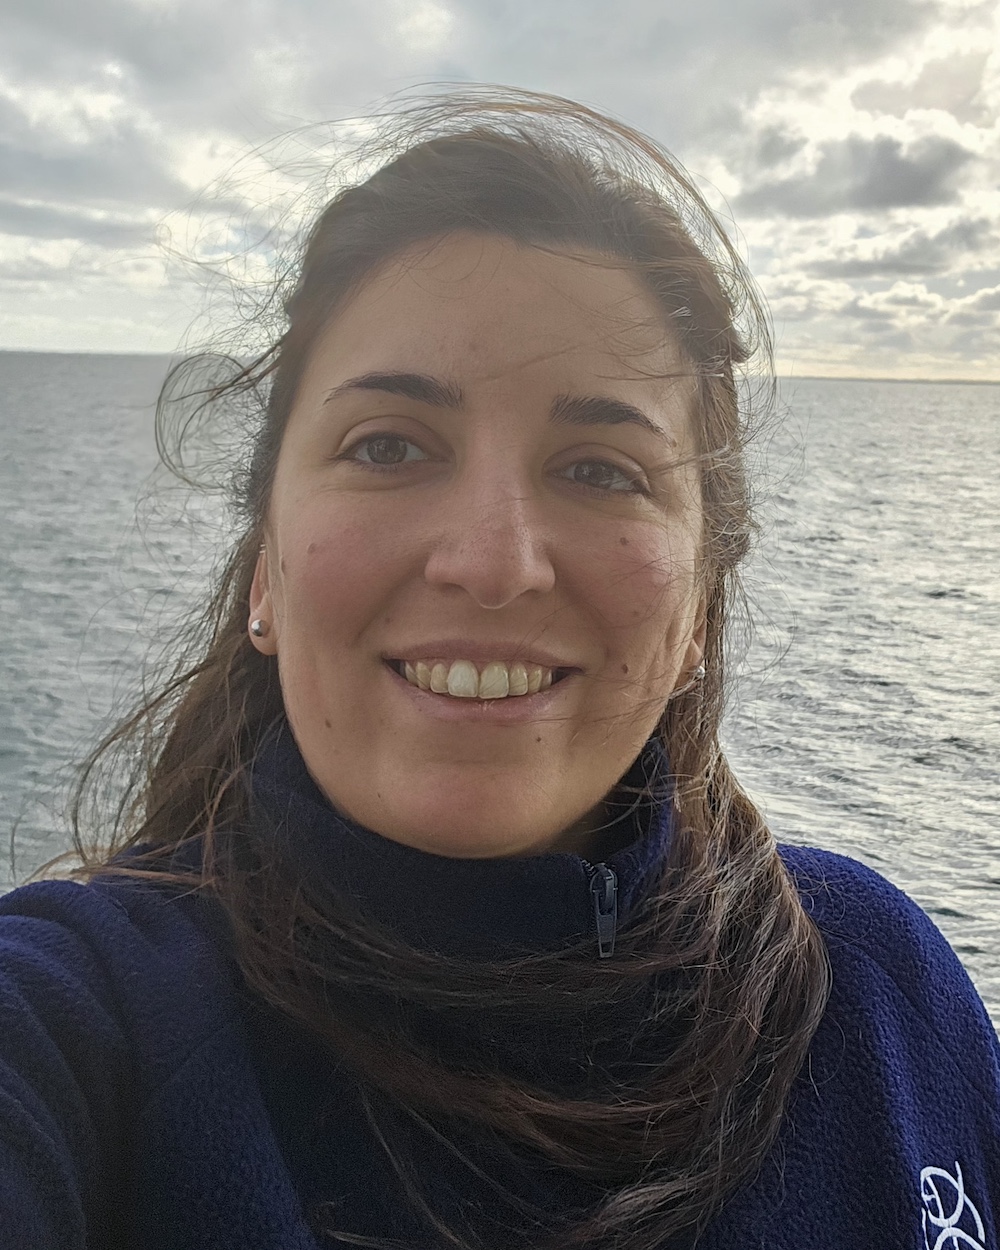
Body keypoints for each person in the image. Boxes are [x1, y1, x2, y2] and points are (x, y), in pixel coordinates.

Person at [1, 87, 998, 1250]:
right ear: (264, 572)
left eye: (600, 468)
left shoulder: (880, 986)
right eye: (388, 445)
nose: (491, 562)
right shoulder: (78, 1025)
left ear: (696, 612)